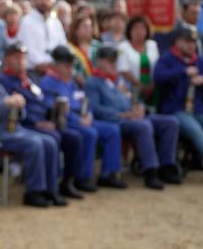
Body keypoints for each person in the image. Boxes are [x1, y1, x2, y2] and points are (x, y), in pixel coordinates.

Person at [0, 49, 62, 208]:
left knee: (49, 141)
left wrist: (19, 106)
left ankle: (51, 189)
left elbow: (18, 116)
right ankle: (34, 191)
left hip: (13, 129)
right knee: (35, 144)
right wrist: (5, 105)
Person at [85, 45, 182, 189]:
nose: (114, 64)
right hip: (116, 120)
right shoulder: (93, 82)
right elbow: (95, 108)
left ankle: (167, 166)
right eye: (110, 60)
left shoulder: (120, 81)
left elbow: (136, 99)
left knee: (171, 122)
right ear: (99, 61)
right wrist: (122, 115)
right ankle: (150, 171)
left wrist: (140, 108)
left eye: (115, 60)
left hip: (133, 117)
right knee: (143, 126)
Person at [0, 42, 83, 200]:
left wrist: (52, 114)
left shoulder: (29, 78)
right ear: (7, 59)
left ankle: (64, 182)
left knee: (74, 138)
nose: (21, 61)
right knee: (52, 138)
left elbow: (41, 101)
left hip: (43, 121)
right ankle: (46, 187)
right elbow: (15, 109)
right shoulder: (4, 80)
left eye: (23, 57)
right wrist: (36, 122)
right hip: (25, 123)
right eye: (16, 57)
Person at [39, 46, 127, 190]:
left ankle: (108, 174)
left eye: (71, 64)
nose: (70, 68)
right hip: (67, 122)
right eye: (66, 64)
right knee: (89, 133)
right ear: (56, 65)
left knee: (112, 130)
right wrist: (77, 120)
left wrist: (89, 115)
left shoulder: (72, 82)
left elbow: (84, 101)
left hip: (83, 119)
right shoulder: (48, 82)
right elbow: (55, 110)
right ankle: (82, 177)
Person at [154, 25, 203, 161]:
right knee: (196, 132)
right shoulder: (167, 57)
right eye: (187, 41)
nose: (191, 45)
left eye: (193, 42)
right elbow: (158, 77)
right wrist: (182, 72)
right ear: (178, 41)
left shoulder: (197, 60)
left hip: (196, 108)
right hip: (175, 109)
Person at [17, 0, 67, 76]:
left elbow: (62, 45)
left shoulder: (55, 22)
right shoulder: (26, 21)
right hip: (34, 71)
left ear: (53, 1)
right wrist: (46, 65)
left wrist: (57, 64)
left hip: (56, 70)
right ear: (34, 0)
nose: (44, 2)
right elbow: (28, 49)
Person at [117, 16, 159, 106]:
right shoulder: (123, 46)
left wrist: (151, 85)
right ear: (129, 30)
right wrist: (140, 86)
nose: (139, 31)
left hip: (152, 88)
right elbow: (123, 69)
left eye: (142, 28)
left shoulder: (153, 45)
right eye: (135, 28)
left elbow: (157, 66)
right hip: (131, 88)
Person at [68, 15, 100, 86]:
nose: (89, 29)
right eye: (85, 26)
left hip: (98, 86)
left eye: (90, 26)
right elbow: (73, 72)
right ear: (76, 30)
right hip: (78, 87)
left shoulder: (98, 46)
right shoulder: (69, 48)